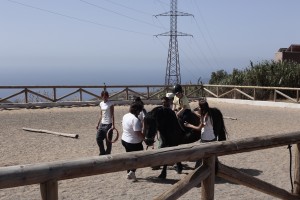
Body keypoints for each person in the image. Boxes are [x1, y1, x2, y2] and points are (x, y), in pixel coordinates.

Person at [184, 97, 227, 168]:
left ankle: (198, 172)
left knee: (200, 155)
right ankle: (215, 169)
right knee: (213, 155)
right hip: (212, 137)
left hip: (206, 139)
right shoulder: (208, 113)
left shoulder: (205, 117)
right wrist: (194, 112)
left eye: (199, 107)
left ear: (201, 108)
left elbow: (199, 128)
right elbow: (201, 116)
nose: (198, 108)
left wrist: (189, 125)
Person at [121, 101, 145, 182]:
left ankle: (129, 172)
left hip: (124, 140)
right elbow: (138, 133)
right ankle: (132, 171)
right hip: (133, 142)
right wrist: (144, 138)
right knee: (139, 158)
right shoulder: (135, 119)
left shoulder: (125, 115)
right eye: (140, 111)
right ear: (137, 110)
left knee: (129, 157)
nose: (140, 113)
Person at [96, 90, 115, 155]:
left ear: (108, 96)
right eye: (104, 96)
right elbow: (101, 114)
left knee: (108, 141)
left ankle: (108, 153)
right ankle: (102, 152)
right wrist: (98, 123)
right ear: (101, 96)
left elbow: (112, 115)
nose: (105, 97)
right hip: (102, 123)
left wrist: (113, 125)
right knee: (98, 138)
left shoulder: (111, 104)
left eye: (106, 96)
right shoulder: (101, 104)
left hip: (108, 124)